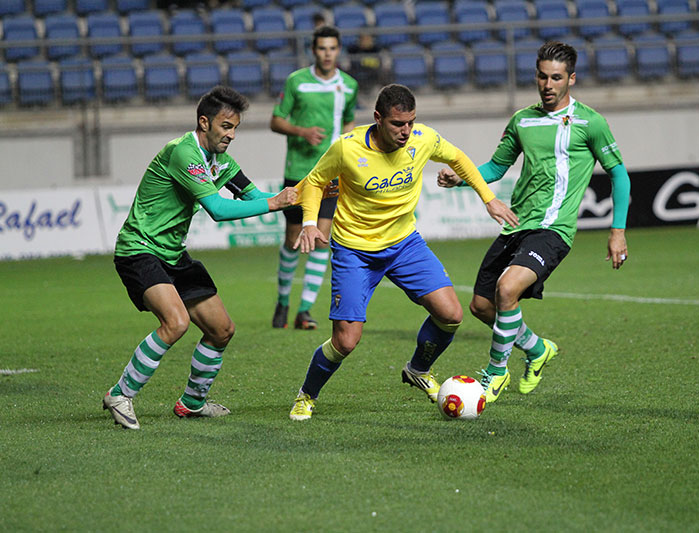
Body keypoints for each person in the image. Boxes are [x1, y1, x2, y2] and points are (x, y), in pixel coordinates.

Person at [288, 84, 518, 420]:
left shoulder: (423, 138)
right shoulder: (347, 148)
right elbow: (314, 182)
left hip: (405, 244)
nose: (406, 131)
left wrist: (488, 197)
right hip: (356, 250)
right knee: (346, 341)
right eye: (398, 124)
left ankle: (418, 369)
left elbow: (457, 158)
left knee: (451, 314)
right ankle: (306, 394)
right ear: (378, 119)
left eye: (411, 122)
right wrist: (310, 222)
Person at [438, 41, 631, 403]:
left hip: (554, 229)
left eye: (556, 77)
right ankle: (538, 348)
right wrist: (462, 177)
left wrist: (617, 231)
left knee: (507, 289)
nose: (547, 84)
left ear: (571, 79)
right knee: (482, 306)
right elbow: (497, 167)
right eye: (542, 76)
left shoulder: (591, 122)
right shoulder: (522, 120)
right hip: (516, 224)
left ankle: (495, 374)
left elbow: (619, 174)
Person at [103, 86, 297, 430]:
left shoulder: (221, 162)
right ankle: (120, 393)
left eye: (235, 127)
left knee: (221, 330)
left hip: (173, 254)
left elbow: (256, 195)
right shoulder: (183, 153)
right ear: (204, 122)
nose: (231, 134)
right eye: (226, 126)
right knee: (175, 323)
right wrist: (276, 203)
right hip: (140, 249)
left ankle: (192, 403)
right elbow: (219, 209)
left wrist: (299, 195)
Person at [270, 25, 359, 330]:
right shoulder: (297, 81)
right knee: (294, 240)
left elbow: (348, 121)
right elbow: (276, 120)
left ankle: (303, 310)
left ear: (339, 50)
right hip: (298, 173)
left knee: (322, 240)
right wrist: (301, 131)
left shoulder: (349, 85)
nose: (327, 54)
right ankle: (283, 302)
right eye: (322, 48)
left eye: (332, 48)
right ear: (313, 50)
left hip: (330, 176)